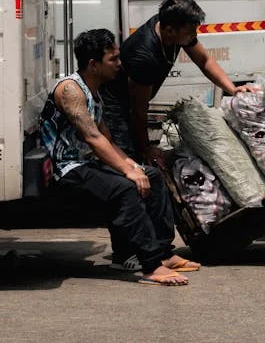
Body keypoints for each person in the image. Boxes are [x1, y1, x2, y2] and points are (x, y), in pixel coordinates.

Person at [40, 29, 200, 286]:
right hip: (66, 168)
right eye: (113, 59)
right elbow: (92, 138)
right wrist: (128, 172)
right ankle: (151, 266)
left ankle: (162, 253)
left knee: (153, 176)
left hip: (86, 163)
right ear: (93, 64)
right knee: (125, 188)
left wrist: (133, 165)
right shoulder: (70, 90)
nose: (120, 63)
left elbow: (107, 140)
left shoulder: (95, 90)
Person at [103, 0, 254, 167]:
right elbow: (138, 111)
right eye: (190, 32)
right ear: (169, 31)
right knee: (127, 159)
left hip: (134, 103)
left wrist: (233, 89)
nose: (194, 36)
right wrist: (146, 148)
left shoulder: (172, 27)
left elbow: (204, 61)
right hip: (115, 104)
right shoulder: (145, 55)